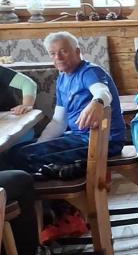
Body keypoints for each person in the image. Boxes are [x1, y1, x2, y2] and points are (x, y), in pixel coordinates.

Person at [8, 31, 125, 175]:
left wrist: (97, 102)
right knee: (14, 151)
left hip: (106, 141)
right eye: (52, 53)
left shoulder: (90, 72)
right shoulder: (62, 79)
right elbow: (59, 122)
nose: (58, 57)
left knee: (26, 156)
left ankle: (64, 177)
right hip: (77, 137)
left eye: (63, 51)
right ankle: (61, 172)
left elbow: (103, 91)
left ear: (77, 51)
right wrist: (40, 143)